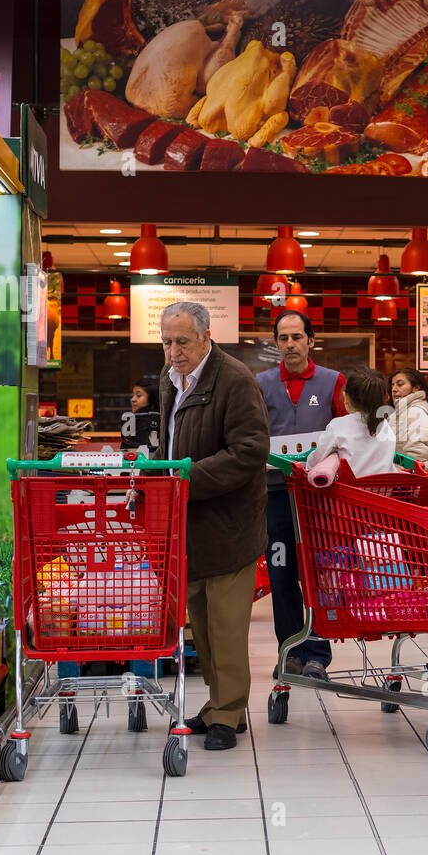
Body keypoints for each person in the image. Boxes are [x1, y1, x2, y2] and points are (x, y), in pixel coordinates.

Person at [157, 302, 270, 752]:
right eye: (167, 342)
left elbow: (249, 451)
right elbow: (169, 441)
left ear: (206, 337)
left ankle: (229, 714)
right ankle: (217, 706)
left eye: (182, 341)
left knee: (225, 625)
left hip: (230, 524)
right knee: (202, 624)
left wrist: (187, 478)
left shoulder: (234, 378)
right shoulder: (171, 381)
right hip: (192, 522)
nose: (173, 351)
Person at [257, 311, 347, 681]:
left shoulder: (332, 382)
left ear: (311, 340)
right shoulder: (260, 384)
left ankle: (317, 655)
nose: (290, 344)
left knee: (320, 574)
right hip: (274, 495)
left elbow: (347, 434)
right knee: (281, 574)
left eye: (297, 337)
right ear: (276, 343)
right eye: (283, 338)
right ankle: (289, 651)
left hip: (319, 499)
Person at [305, 367, 396, 478]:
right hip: (383, 492)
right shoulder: (385, 425)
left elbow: (316, 460)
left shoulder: (338, 425)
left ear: (346, 397)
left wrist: (307, 465)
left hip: (349, 493)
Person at [388, 368, 428, 471]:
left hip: (415, 483)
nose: (394, 389)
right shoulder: (421, 408)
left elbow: (416, 457)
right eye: (392, 385)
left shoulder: (415, 412)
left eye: (400, 384)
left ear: (416, 388)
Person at [121, 380, 161, 455]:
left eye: (138, 396)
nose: (132, 399)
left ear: (151, 398)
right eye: (133, 395)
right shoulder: (132, 420)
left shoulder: (156, 421)